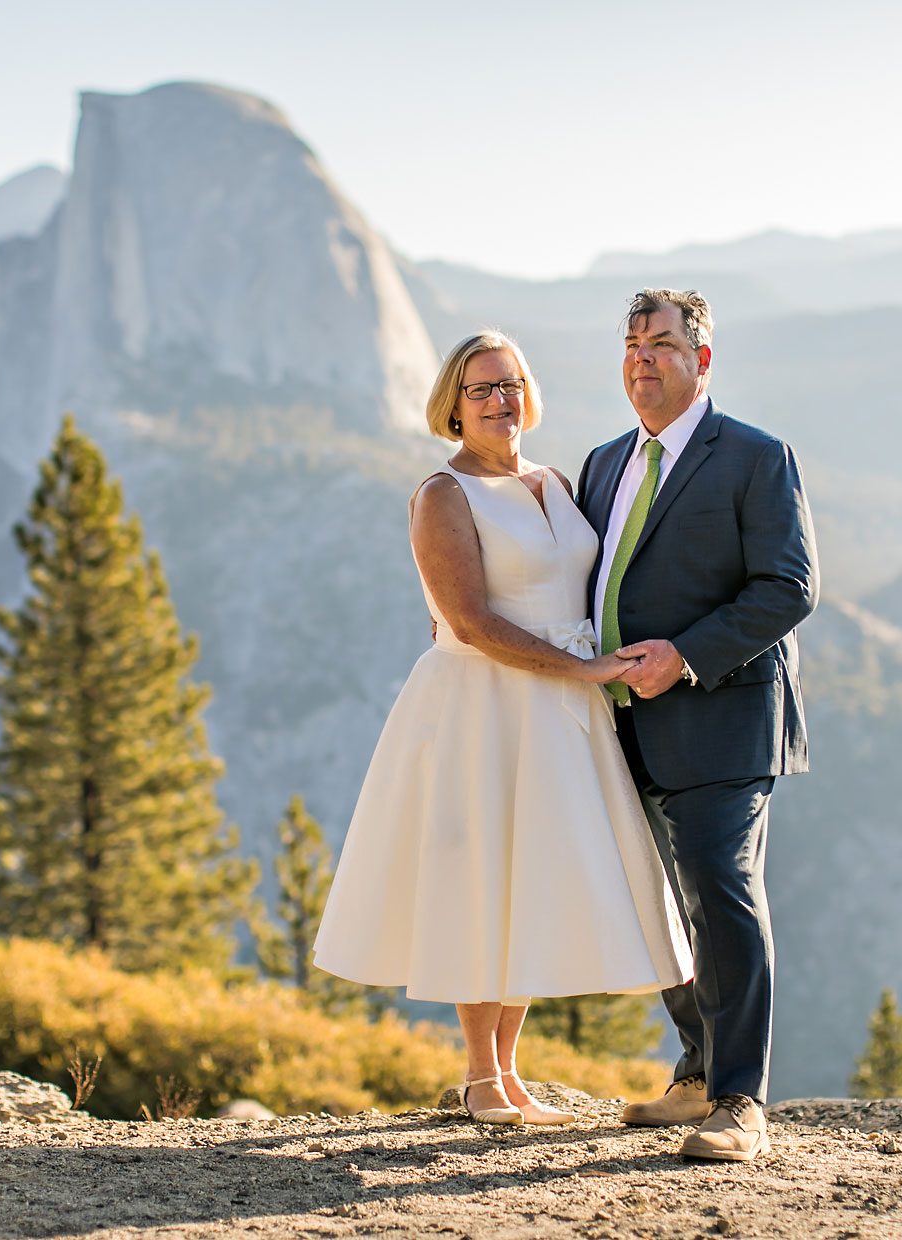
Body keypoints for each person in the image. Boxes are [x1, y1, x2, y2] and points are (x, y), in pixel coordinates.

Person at [313, 330, 692, 1127]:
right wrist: (588, 670)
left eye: (510, 384)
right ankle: (483, 1077)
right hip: (482, 705)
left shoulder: (555, 481)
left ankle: (510, 1073)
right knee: (478, 877)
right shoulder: (443, 494)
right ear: (452, 406)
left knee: (526, 877)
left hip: (556, 712)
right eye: (481, 389)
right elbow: (472, 622)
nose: (500, 400)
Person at [576, 288, 818, 1162]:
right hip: (621, 723)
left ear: (702, 360)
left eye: (663, 344)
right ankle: (696, 1069)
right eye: (632, 344)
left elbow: (788, 587)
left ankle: (741, 1100)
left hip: (723, 716)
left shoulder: (754, 456)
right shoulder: (604, 463)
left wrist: (682, 654)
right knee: (655, 904)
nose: (643, 358)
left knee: (721, 892)